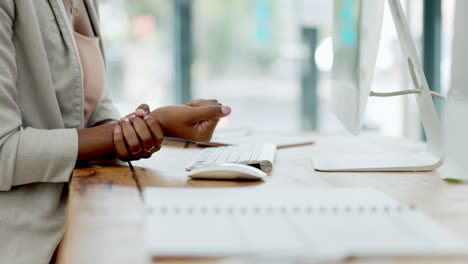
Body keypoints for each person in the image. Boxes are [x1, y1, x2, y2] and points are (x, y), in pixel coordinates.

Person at [0, 1, 231, 263]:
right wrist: (154, 125)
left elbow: (95, 107)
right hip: (28, 237)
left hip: (84, 207)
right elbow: (3, 150)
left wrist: (138, 130)